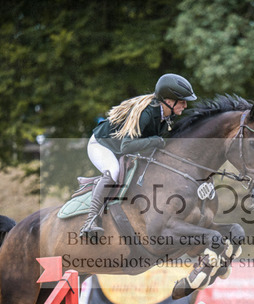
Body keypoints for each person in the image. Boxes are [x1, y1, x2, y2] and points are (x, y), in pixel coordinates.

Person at [80, 73, 197, 236]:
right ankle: (90, 221)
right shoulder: (146, 113)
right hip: (102, 145)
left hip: (120, 148)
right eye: (182, 101)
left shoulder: (166, 115)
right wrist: (155, 141)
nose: (185, 105)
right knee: (113, 172)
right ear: (169, 101)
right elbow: (127, 146)